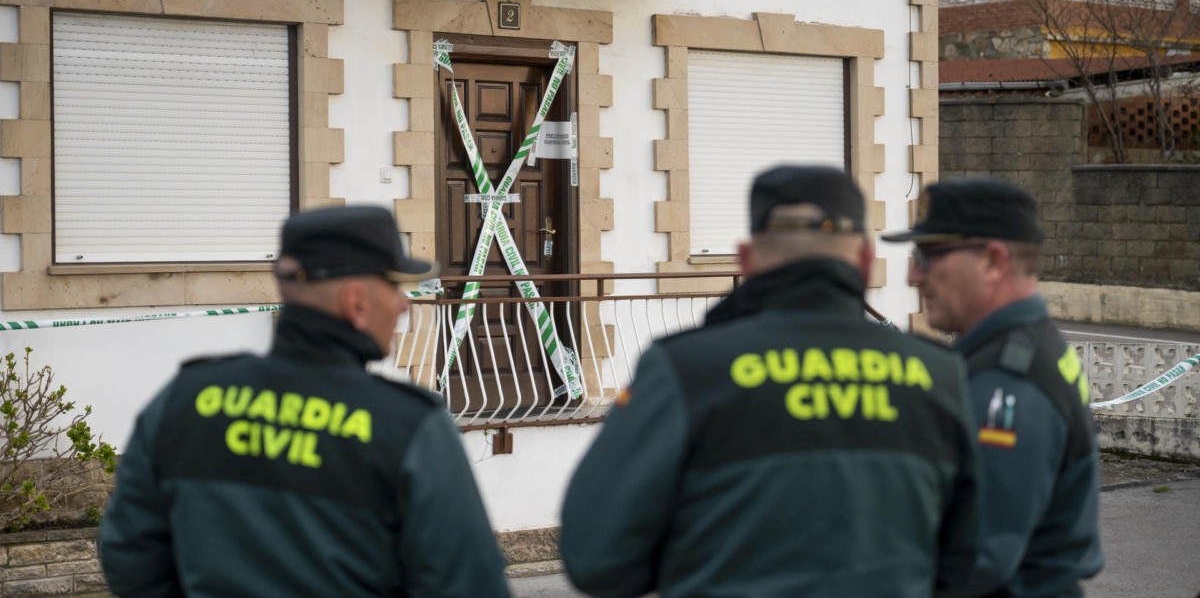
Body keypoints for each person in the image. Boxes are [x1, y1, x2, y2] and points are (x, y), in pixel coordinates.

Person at [560, 165, 981, 597]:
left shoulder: (686, 369)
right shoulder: (942, 374)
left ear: (747, 260)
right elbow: (975, 559)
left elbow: (594, 557)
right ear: (866, 261)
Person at [100, 205, 511, 598]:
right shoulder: (409, 427)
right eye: (394, 287)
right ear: (356, 303)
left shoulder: (185, 400)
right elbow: (469, 585)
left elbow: (127, 558)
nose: (403, 305)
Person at [882, 178, 1104, 597]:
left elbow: (976, 559)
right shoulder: (1026, 347)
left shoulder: (1007, 381)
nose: (913, 275)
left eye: (928, 256)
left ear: (992, 261)